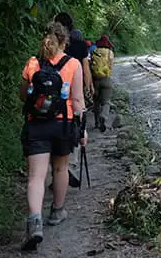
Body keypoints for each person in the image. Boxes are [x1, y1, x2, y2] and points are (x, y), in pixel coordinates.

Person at [20, 22, 87, 251]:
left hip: (36, 125)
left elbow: (23, 95)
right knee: (60, 169)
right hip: (63, 125)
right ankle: (57, 211)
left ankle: (34, 223)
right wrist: (83, 130)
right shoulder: (73, 64)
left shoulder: (32, 63)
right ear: (64, 41)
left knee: (36, 177)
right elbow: (77, 101)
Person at [52, 13, 93, 188]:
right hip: (72, 94)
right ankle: (69, 167)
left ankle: (56, 170)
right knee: (75, 129)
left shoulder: (50, 46)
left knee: (52, 128)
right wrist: (89, 85)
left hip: (52, 96)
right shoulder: (80, 45)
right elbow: (85, 67)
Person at [91, 34, 115, 132]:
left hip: (95, 80)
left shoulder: (94, 52)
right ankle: (104, 116)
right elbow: (111, 66)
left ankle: (96, 123)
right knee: (106, 102)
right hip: (106, 79)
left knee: (96, 102)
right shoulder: (110, 53)